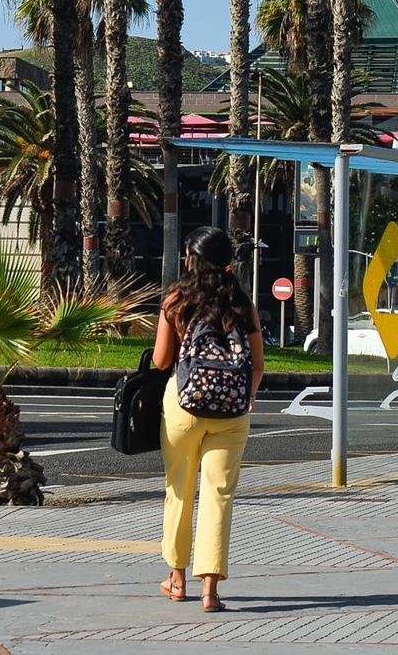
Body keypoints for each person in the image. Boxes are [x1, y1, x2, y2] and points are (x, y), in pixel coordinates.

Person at [151, 227, 264, 613]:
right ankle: (210, 592)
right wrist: (244, 397)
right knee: (219, 495)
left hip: (184, 407)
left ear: (192, 258)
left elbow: (161, 361)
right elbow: (258, 366)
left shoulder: (177, 300)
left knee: (179, 491)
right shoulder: (241, 303)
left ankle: (177, 580)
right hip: (231, 415)